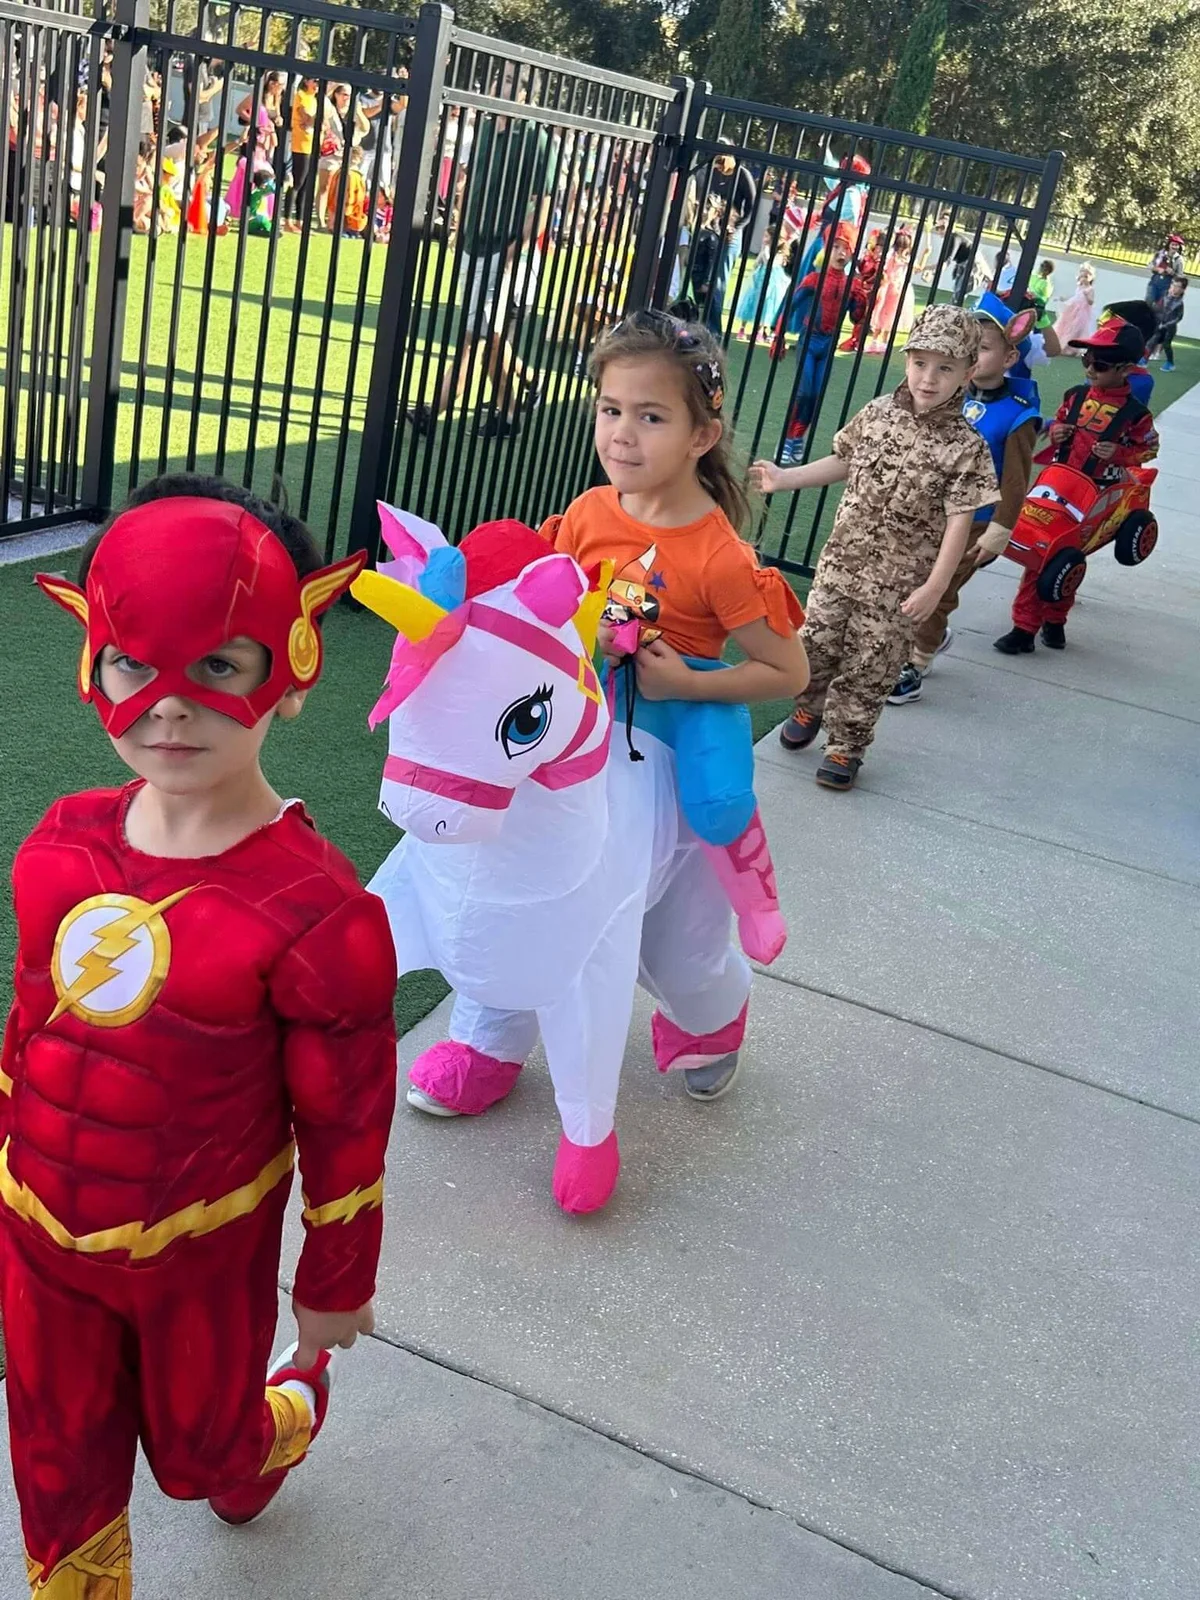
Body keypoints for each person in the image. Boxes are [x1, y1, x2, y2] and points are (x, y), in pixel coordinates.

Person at [2, 477, 397, 1594]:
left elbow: (347, 1118)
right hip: (40, 1238)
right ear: (93, 661)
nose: (169, 707)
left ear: (294, 666)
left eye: (218, 666)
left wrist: (335, 1274)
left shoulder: (321, 912)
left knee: (204, 1460)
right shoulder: (60, 844)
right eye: (136, 663)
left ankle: (287, 1406)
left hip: (202, 1253)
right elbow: (30, 1032)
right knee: (57, 1463)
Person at [400, 308, 807, 1132]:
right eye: (609, 409)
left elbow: (786, 671)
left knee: (677, 933)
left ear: (702, 434)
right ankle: (489, 1033)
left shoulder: (720, 557)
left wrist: (690, 687)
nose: (622, 434)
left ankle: (710, 1013)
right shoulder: (588, 510)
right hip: (565, 725)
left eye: (650, 416)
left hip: (660, 735)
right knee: (511, 864)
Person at [752, 304, 997, 790]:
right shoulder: (878, 413)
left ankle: (846, 744)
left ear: (968, 373)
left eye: (945, 367)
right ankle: (810, 707)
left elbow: (959, 522)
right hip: (842, 565)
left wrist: (935, 586)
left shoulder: (968, 447)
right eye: (920, 362)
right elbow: (842, 461)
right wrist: (784, 478)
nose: (929, 377)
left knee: (873, 661)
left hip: (900, 585)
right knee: (815, 644)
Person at [889, 291, 1040, 703]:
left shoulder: (1018, 412)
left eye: (985, 349)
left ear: (1009, 358)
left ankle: (916, 663)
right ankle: (930, 637)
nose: (973, 356)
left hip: (976, 521)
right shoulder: (953, 393)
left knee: (939, 591)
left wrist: (1000, 529)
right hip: (933, 513)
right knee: (913, 581)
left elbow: (1015, 479)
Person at [994, 316, 1159, 655]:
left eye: (1099, 364)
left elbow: (1150, 447)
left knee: (1065, 556)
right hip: (1059, 484)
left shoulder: (1136, 414)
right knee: (1044, 553)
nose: (1090, 368)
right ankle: (1034, 626)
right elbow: (1058, 422)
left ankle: (1042, 624)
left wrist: (1121, 453)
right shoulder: (1076, 395)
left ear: (1125, 370)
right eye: (1087, 360)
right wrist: (1055, 432)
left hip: (1096, 495)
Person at [408, 64, 552, 439]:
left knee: (475, 337)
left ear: (523, 93)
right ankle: (513, 407)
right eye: (497, 77)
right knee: (493, 340)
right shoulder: (486, 128)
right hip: (473, 245)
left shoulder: (535, 138)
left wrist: (516, 248)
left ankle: (433, 409)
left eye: (506, 80)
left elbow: (544, 201)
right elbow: (473, 182)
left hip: (504, 254)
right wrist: (460, 224)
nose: (495, 84)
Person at [776, 224, 854, 465]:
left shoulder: (851, 285)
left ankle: (798, 437)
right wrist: (779, 335)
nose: (841, 253)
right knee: (804, 392)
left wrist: (864, 300)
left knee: (816, 396)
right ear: (826, 249)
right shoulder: (813, 279)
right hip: (809, 341)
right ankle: (787, 439)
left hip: (828, 345)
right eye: (836, 247)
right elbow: (791, 305)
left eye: (846, 249)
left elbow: (858, 318)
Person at [690, 140, 756, 336]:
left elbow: (751, 208)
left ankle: (713, 331)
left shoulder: (742, 175)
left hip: (731, 232)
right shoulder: (710, 171)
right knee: (697, 274)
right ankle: (702, 322)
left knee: (716, 283)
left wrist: (735, 228)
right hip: (710, 228)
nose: (717, 163)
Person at [862, 228, 916, 355]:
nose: (903, 251)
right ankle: (878, 342)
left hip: (894, 290)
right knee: (885, 316)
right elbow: (886, 270)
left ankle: (881, 342)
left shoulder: (900, 258)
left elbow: (888, 271)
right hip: (893, 289)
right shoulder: (898, 258)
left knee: (887, 317)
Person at [284, 74, 318, 232]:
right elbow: (308, 119)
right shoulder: (301, 96)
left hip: (312, 144)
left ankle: (300, 220)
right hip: (301, 144)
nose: (317, 84)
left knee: (306, 185)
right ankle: (287, 219)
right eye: (315, 80)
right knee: (297, 182)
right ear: (306, 81)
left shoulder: (315, 99)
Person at [1148, 275, 1186, 370]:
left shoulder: (1179, 303)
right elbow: (1157, 309)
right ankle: (1144, 359)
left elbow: (1178, 318)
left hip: (1169, 328)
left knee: (1166, 344)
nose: (1174, 288)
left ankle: (1170, 363)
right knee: (1152, 341)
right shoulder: (1164, 297)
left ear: (1182, 290)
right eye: (1173, 285)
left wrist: (1166, 325)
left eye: (1178, 286)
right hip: (1159, 325)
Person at [1054, 263, 1097, 347]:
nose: (1083, 279)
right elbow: (1075, 297)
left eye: (1086, 277)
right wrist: (1063, 299)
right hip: (1073, 309)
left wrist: (1087, 296)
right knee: (1067, 326)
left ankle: (1073, 346)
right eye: (1082, 276)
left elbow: (1091, 302)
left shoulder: (1090, 289)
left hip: (1082, 312)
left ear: (1090, 278)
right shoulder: (1079, 287)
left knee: (1077, 328)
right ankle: (1063, 344)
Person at [1146, 234, 1184, 304]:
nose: (1174, 247)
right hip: (1154, 282)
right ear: (1169, 245)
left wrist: (1172, 273)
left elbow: (1180, 276)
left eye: (1176, 245)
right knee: (1149, 301)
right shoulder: (1160, 254)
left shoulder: (1179, 259)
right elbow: (1149, 265)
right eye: (1173, 244)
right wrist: (1157, 269)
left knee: (1160, 305)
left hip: (1167, 286)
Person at [342, 144, 369, 238]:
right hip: (347, 197)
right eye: (352, 156)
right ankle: (344, 230)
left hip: (356, 199)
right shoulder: (345, 172)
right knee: (344, 213)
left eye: (356, 157)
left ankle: (353, 231)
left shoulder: (359, 174)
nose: (354, 159)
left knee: (354, 214)